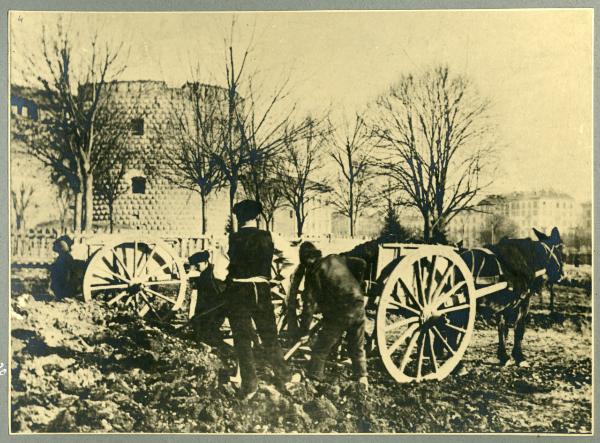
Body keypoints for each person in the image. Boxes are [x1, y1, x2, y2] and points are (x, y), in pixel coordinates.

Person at [225, 199, 292, 400]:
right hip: (261, 289)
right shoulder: (270, 236)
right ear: (257, 217)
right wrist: (278, 278)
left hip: (238, 290)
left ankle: (250, 384)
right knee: (269, 334)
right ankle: (285, 377)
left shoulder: (231, 239)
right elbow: (291, 259)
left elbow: (219, 271)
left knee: (242, 339)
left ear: (239, 217)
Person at [292, 241, 369, 390]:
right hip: (358, 304)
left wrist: (304, 332)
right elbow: (361, 263)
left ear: (307, 260)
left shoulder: (314, 272)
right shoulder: (336, 258)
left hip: (340, 311)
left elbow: (308, 305)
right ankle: (362, 377)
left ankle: (314, 379)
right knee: (357, 345)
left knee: (321, 347)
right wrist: (358, 285)